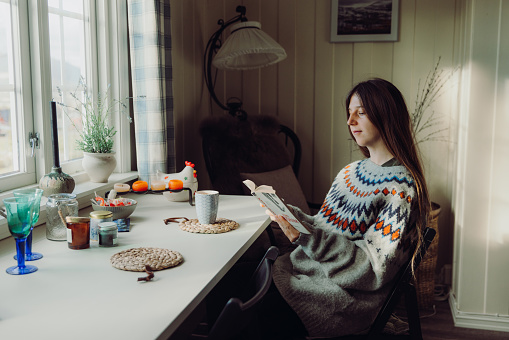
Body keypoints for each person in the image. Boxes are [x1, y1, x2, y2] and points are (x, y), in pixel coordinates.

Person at [206, 78, 430, 339]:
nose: (350, 122)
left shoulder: (401, 188)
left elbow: (373, 269)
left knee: (247, 307)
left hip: (339, 298)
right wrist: (291, 216)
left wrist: (306, 236)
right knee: (221, 285)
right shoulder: (350, 172)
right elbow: (324, 225)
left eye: (361, 113)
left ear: (386, 114)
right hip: (304, 272)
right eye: (349, 114)